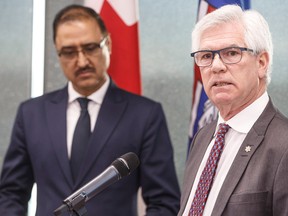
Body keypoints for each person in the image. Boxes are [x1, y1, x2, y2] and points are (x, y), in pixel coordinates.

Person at [0, 4, 180, 216]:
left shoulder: (145, 115)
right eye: (69, 52)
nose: (82, 61)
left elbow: (164, 202)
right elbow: (10, 194)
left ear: (108, 44)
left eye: (90, 47)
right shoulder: (31, 114)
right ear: (58, 55)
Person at [178, 4, 288, 216]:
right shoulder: (203, 137)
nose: (216, 66)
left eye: (231, 53)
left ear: (262, 63)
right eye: (206, 56)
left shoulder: (283, 145)